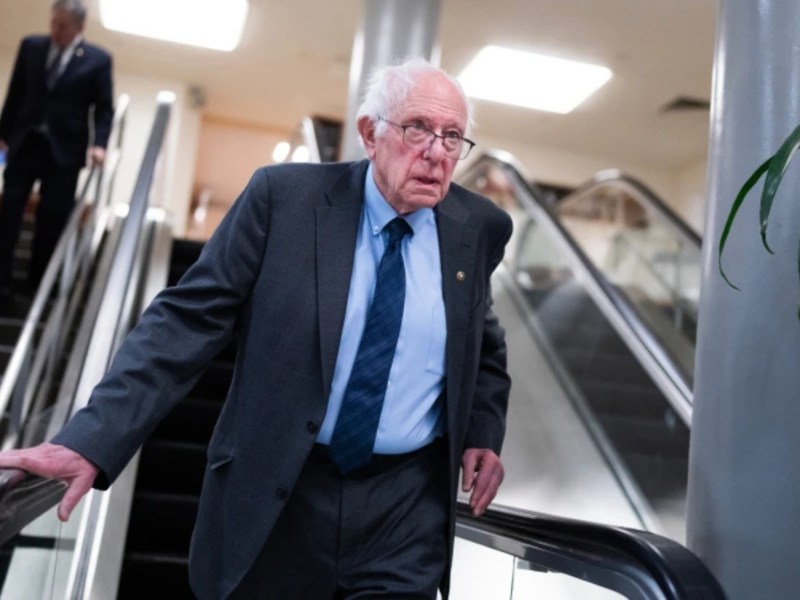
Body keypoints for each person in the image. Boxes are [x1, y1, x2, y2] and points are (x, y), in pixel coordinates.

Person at [0, 58, 512, 599]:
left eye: (453, 137)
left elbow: (482, 338)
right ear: (369, 133)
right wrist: (90, 442)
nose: (436, 153)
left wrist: (482, 429)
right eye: (417, 130)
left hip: (404, 512)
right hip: (281, 494)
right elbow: (183, 323)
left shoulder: (476, 228)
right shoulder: (283, 201)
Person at [0, 0, 113, 305]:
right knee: (9, 212)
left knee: (51, 219)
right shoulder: (31, 46)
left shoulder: (98, 60)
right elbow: (15, 93)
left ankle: (36, 287)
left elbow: (104, 108)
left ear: (80, 28)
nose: (56, 30)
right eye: (54, 23)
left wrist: (100, 143)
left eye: (64, 26)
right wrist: (3, 133)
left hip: (65, 154)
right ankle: (2, 283)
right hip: (26, 145)